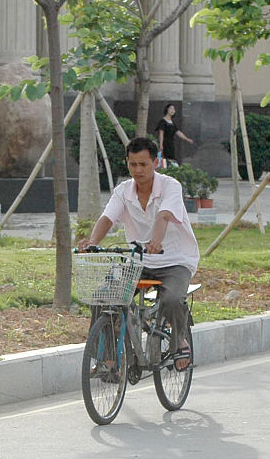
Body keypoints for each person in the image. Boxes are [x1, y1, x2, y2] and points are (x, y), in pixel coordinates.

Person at [77, 136, 199, 372]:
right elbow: (107, 218)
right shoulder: (123, 191)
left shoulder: (170, 186)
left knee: (172, 300)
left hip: (175, 260)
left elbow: (164, 216)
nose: (138, 170)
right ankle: (110, 361)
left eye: (143, 164)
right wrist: (92, 241)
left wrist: (156, 241)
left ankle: (180, 339)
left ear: (155, 162)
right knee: (104, 296)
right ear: (127, 163)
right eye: (133, 164)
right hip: (138, 260)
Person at [153, 103, 195, 167]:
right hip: (165, 142)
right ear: (167, 110)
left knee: (171, 157)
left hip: (171, 143)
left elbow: (178, 132)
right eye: (171, 108)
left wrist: (187, 139)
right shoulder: (163, 121)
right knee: (165, 158)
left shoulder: (172, 122)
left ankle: (172, 168)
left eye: (174, 109)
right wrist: (161, 145)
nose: (173, 110)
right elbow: (161, 133)